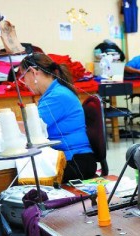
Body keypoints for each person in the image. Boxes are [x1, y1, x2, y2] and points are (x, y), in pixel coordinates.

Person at [18, 53, 96, 182]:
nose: (24, 83)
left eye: (23, 76)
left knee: (21, 176)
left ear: (33, 72)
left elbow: (31, 128)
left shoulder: (57, 96)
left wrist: (3, 125)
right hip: (69, 158)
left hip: (76, 162)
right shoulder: (54, 93)